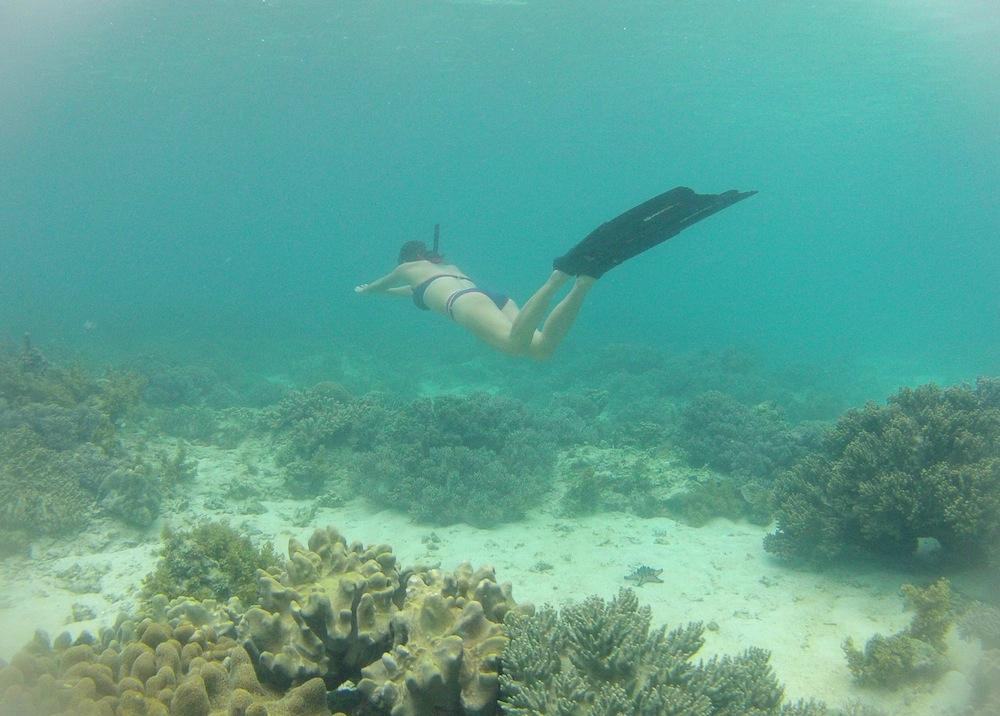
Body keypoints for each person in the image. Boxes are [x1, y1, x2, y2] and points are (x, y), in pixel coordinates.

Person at [355, 186, 756, 361]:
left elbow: (385, 285)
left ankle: (561, 276)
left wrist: (365, 290)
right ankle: (586, 280)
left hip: (466, 304)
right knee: (541, 350)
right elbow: (408, 294)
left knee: (516, 347)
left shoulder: (408, 268)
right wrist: (385, 292)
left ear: (407, 258)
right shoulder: (437, 272)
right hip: (484, 296)